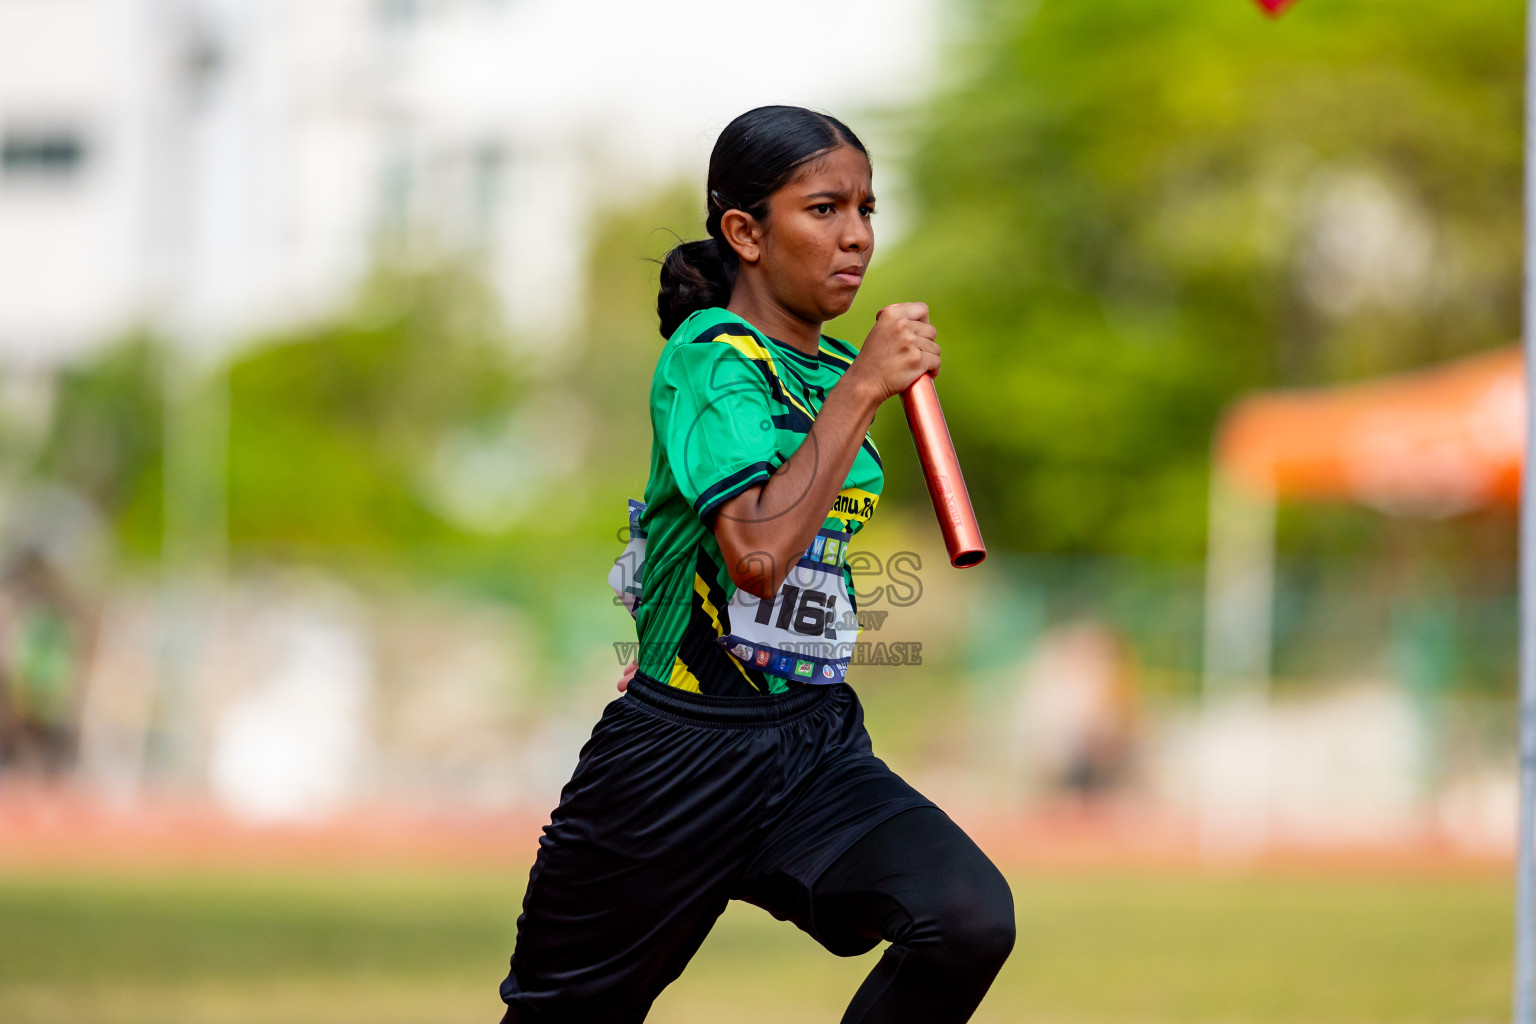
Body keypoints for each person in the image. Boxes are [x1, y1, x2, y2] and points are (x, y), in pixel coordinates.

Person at [499, 105, 1014, 1024]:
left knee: (966, 917)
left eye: (867, 209)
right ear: (744, 230)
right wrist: (864, 392)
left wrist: (856, 385)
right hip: (674, 755)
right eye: (824, 208)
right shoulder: (709, 360)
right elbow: (759, 557)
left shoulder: (840, 369)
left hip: (811, 745)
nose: (855, 235)